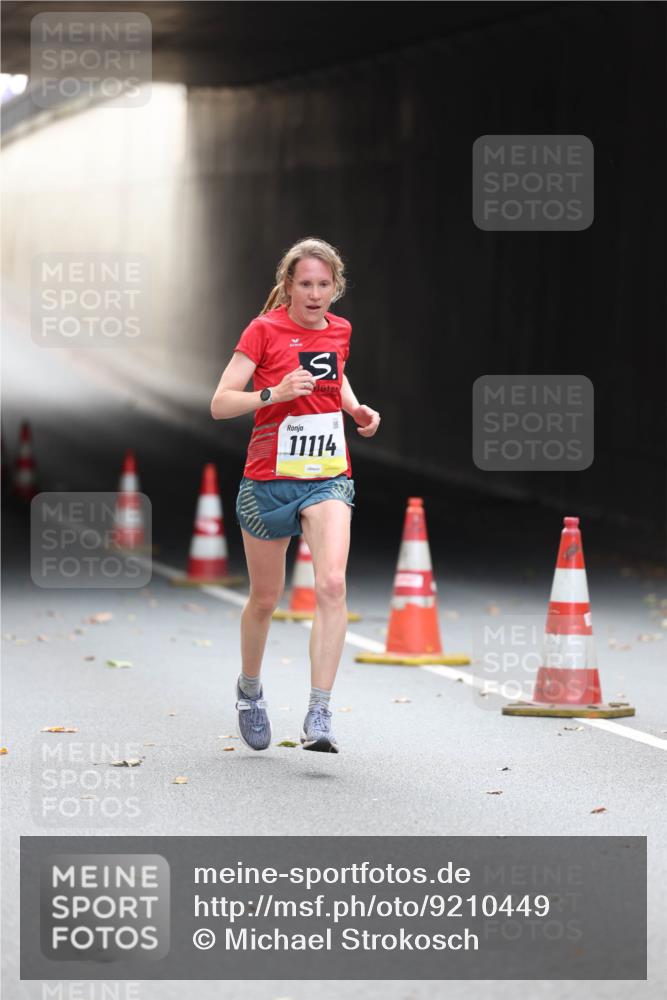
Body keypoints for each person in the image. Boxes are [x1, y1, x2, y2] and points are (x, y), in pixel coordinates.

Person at [210, 237, 380, 753]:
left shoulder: (341, 329)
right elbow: (220, 403)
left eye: (323, 285)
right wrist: (274, 393)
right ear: (288, 286)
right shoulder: (263, 331)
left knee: (331, 583)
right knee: (265, 598)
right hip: (269, 479)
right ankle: (250, 689)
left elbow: (336, 372)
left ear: (336, 288)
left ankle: (319, 711)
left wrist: (354, 409)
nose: (314, 293)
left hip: (328, 474)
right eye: (304, 284)